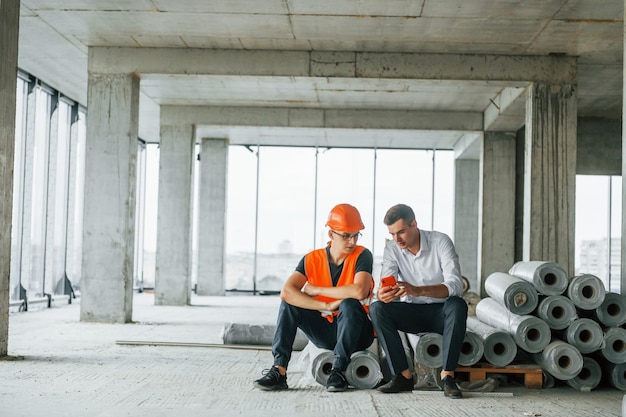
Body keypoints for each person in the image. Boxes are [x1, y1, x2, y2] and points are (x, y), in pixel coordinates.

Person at [253, 203, 375, 392]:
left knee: (350, 304)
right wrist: (326, 304)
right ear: (331, 234)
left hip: (358, 332)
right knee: (289, 304)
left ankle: (339, 371)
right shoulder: (311, 259)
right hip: (325, 331)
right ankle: (279, 370)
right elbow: (287, 292)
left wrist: (316, 289)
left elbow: (359, 291)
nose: (352, 241)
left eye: (356, 234)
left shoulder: (363, 255)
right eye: (346, 235)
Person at [370, 203, 467, 398]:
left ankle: (447, 376)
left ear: (414, 223)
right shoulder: (392, 248)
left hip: (442, 312)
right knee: (377, 308)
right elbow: (386, 283)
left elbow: (455, 285)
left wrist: (418, 290)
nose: (397, 239)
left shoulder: (440, 241)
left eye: (401, 232)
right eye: (392, 234)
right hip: (413, 312)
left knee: (458, 305)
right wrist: (383, 294)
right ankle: (403, 376)